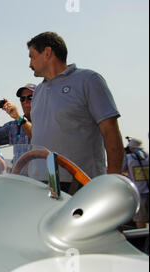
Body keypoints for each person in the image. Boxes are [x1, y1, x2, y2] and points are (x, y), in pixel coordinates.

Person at [26, 32, 124, 193]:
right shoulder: (38, 92)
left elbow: (110, 131)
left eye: (32, 57)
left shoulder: (89, 80)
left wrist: (114, 183)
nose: (30, 64)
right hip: (41, 186)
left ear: (47, 53)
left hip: (80, 185)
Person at [122, 138, 149, 229]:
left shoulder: (129, 158)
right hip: (147, 190)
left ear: (131, 147)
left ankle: (142, 240)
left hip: (139, 192)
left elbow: (122, 169)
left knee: (140, 219)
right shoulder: (148, 155)